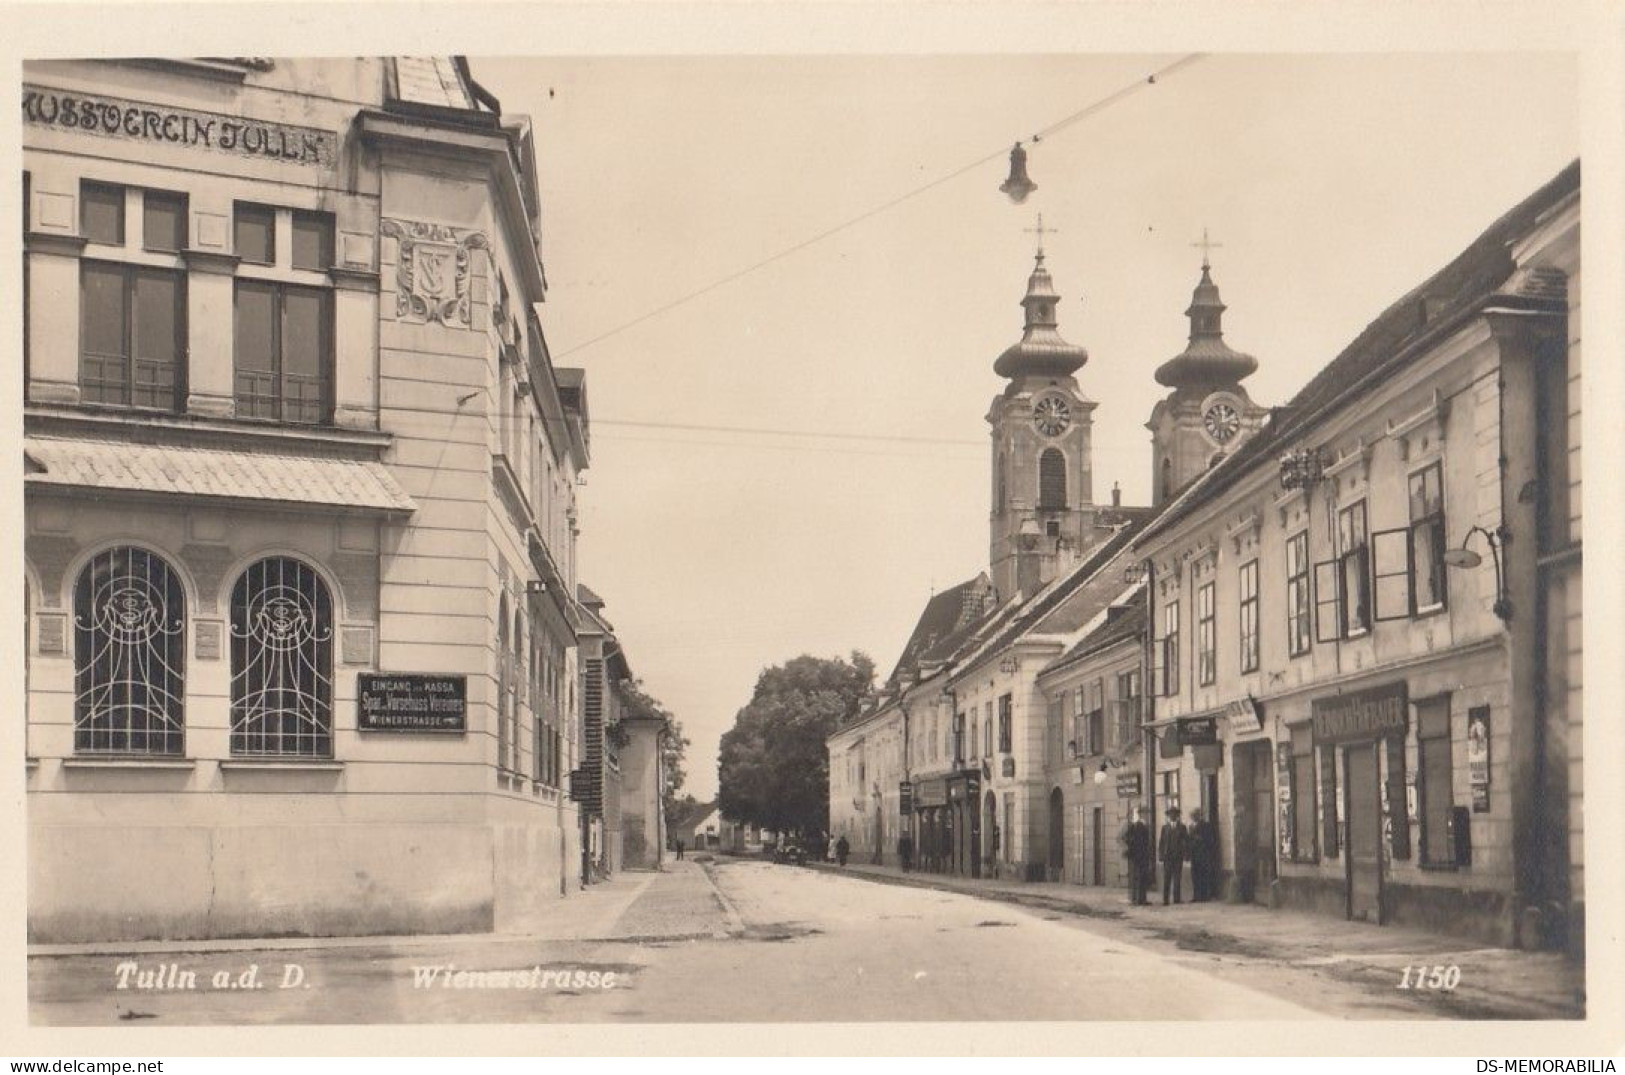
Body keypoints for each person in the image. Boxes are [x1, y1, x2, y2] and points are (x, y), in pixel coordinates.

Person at [1122, 807, 1152, 906]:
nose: (1147, 816)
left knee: (1141, 877)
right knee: (1140, 877)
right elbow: (1125, 837)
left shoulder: (1141, 825)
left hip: (1141, 855)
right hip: (1139, 855)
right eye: (1145, 814)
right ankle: (1139, 899)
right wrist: (1133, 845)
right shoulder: (1138, 825)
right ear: (1141, 815)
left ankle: (1139, 899)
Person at [1159, 807, 1188, 905]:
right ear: (1168, 816)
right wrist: (1161, 855)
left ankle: (1176, 899)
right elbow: (1161, 842)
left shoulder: (1182, 827)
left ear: (1177, 816)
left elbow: (1186, 842)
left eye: (1175, 814)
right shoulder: (1165, 828)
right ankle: (1165, 900)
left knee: (1177, 878)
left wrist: (1185, 854)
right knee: (1166, 878)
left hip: (1178, 856)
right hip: (1167, 857)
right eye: (1171, 814)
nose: (1173, 816)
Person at [1189, 810, 1217, 901]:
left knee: (1203, 875)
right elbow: (1189, 839)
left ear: (1199, 816)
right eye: (1192, 816)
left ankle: (1204, 896)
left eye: (1195, 815)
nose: (1193, 817)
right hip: (1194, 855)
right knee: (1195, 876)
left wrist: (1201, 839)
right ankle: (1196, 896)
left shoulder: (1205, 825)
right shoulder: (1191, 826)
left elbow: (1210, 840)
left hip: (1203, 855)